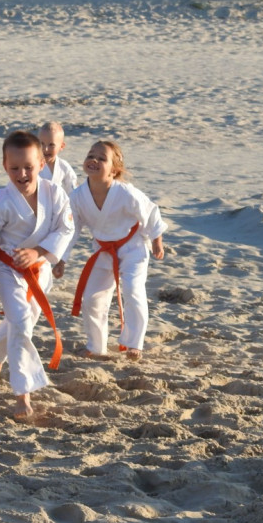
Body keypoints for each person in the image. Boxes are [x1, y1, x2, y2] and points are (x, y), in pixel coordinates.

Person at [0, 130, 74, 420]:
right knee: (20, 322)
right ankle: (23, 393)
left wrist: (39, 252)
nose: (22, 174)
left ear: (41, 164)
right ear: (5, 166)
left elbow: (66, 228)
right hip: (7, 269)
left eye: (28, 167)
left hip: (39, 269)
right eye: (14, 168)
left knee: (23, 321)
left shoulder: (55, 193)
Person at [57, 140, 166, 363]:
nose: (94, 160)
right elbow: (71, 229)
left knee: (133, 290)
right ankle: (96, 346)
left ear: (114, 170)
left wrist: (157, 240)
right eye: (91, 155)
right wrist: (62, 258)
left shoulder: (126, 193)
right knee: (92, 297)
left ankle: (134, 343)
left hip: (133, 247)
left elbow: (151, 212)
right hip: (103, 250)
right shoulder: (77, 196)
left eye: (102, 158)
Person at [38, 121, 77, 196]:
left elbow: (73, 190)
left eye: (51, 145)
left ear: (61, 146)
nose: (45, 149)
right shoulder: (33, 166)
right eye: (42, 144)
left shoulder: (63, 166)